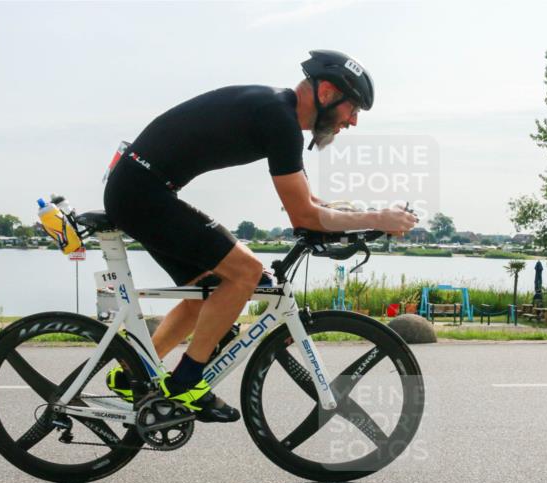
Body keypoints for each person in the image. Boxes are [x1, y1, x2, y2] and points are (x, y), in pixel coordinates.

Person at [103, 50, 416, 422]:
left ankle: (131, 375)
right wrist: (379, 218)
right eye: (354, 108)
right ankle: (187, 382)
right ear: (328, 92)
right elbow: (304, 214)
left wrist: (359, 218)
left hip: (142, 189)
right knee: (246, 272)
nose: (353, 121)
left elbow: (309, 202)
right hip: (143, 193)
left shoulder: (277, 111)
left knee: (206, 291)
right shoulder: (278, 118)